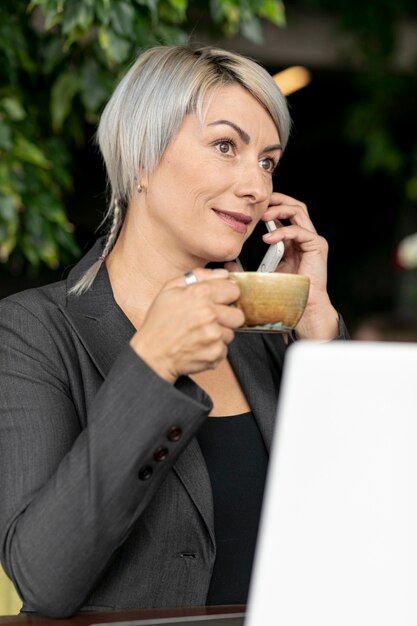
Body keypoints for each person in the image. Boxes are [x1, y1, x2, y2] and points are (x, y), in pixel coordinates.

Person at [0, 45, 348, 618]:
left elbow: (364, 516)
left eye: (266, 161)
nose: (256, 187)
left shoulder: (265, 336)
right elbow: (44, 580)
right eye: (225, 146)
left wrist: (317, 330)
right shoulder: (34, 333)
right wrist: (152, 366)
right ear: (141, 155)